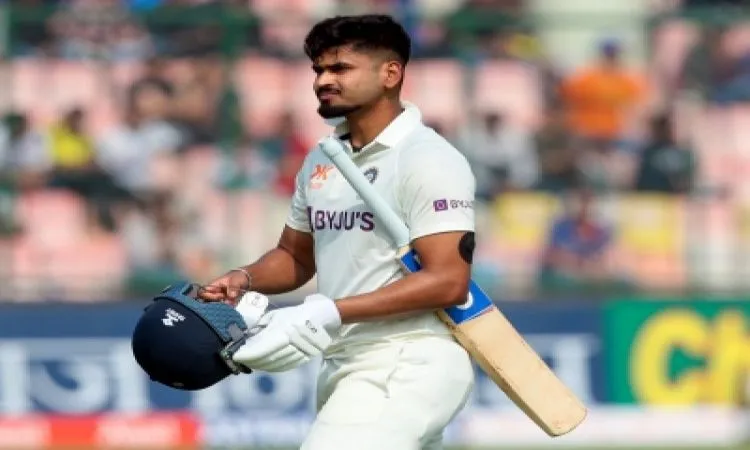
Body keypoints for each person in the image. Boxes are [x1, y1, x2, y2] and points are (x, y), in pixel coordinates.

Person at [198, 14, 477, 450]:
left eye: (340, 69)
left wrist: (329, 311)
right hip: (344, 363)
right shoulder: (323, 160)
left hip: (409, 358)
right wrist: (244, 278)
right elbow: (295, 256)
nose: (323, 80)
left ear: (390, 73)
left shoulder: (427, 158)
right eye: (318, 70)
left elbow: (449, 281)